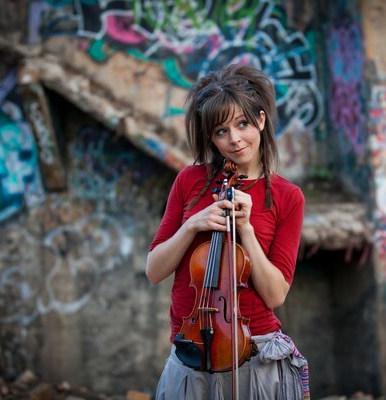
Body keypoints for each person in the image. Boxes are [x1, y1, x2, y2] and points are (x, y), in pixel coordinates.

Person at [146, 64, 309, 400]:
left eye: (243, 124)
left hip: (255, 348)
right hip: (191, 345)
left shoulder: (287, 196)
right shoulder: (189, 181)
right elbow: (154, 270)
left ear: (261, 121)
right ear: (210, 137)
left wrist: (246, 230)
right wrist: (193, 224)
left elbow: (276, 295)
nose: (234, 139)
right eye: (221, 131)